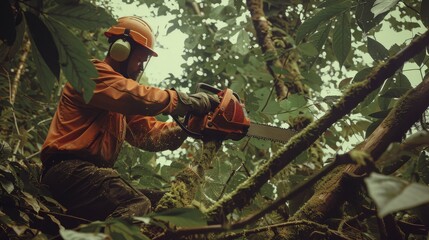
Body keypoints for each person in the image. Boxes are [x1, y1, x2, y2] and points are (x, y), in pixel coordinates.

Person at [40, 16, 218, 226]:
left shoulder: (121, 108)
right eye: (140, 60)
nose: (141, 67)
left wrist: (189, 127)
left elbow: (150, 136)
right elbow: (136, 96)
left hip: (92, 177)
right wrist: (185, 101)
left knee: (165, 207)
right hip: (66, 172)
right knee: (135, 203)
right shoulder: (90, 75)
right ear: (121, 49)